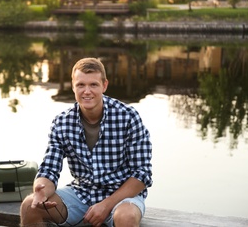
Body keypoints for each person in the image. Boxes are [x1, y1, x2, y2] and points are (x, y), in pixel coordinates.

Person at [20, 57, 153, 227]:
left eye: (93, 85)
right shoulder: (62, 122)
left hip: (122, 197)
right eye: (81, 85)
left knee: (126, 217)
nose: (87, 91)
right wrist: (40, 190)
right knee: (29, 206)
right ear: (73, 85)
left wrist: (106, 205)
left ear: (104, 85)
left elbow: (142, 174)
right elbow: (49, 169)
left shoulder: (128, 117)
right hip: (82, 193)